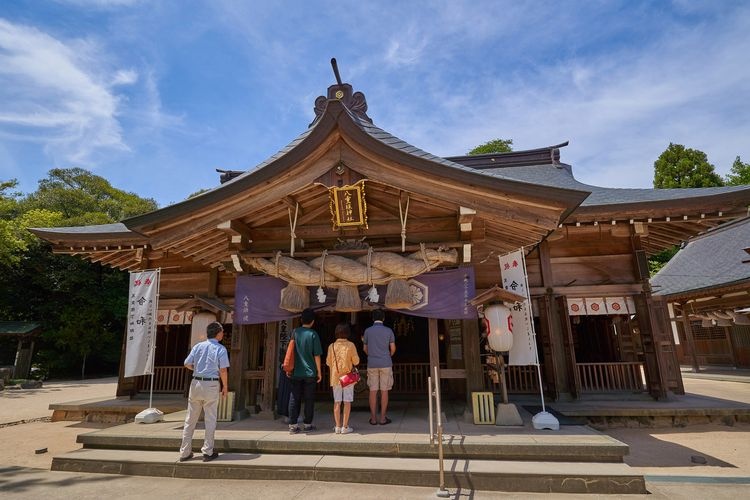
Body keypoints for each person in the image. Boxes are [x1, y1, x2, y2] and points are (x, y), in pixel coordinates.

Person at [179, 321, 230, 462]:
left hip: (196, 382)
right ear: (218, 333)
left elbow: (187, 363)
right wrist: (225, 386)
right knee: (210, 418)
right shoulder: (221, 349)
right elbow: (223, 370)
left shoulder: (197, 346)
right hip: (211, 384)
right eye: (222, 331)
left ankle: (184, 452)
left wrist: (197, 369)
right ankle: (208, 451)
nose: (223, 333)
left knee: (190, 419)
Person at [288, 308, 323, 434]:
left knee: (294, 398)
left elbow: (290, 351)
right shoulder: (313, 334)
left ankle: (293, 425)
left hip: (296, 371)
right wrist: (319, 372)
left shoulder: (295, 332)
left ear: (301, 319)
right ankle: (307, 424)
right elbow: (317, 355)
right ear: (313, 321)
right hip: (310, 372)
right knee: (309, 399)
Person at [363, 309, 396, 425]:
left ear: (373, 318)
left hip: (372, 363)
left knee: (372, 391)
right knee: (384, 390)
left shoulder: (367, 331)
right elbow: (393, 349)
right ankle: (382, 418)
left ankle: (373, 419)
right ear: (383, 318)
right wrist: (387, 355)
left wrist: (372, 355)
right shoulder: (388, 331)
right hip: (385, 363)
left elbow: (365, 349)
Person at [326, 322, 360, 434]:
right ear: (348, 333)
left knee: (337, 402)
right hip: (347, 378)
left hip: (335, 378)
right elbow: (356, 361)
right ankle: (345, 427)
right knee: (347, 402)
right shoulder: (351, 345)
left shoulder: (331, 346)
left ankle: (337, 426)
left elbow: (328, 362)